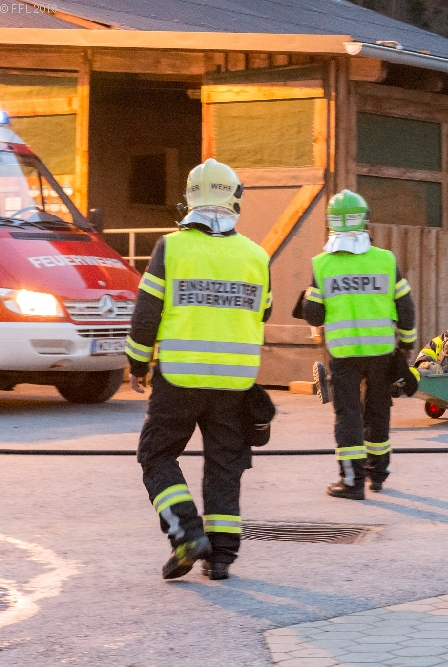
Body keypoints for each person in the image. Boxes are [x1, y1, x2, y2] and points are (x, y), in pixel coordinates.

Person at [125, 158, 271, 581]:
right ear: (235, 199)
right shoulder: (256, 255)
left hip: (180, 378)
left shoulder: (170, 248)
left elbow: (146, 314)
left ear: (189, 200)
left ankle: (187, 534)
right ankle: (221, 557)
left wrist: (137, 363)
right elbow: (264, 311)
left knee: (157, 455)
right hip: (236, 381)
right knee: (225, 464)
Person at [297, 190, 416, 500]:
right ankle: (378, 474)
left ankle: (352, 482)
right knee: (378, 412)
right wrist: (407, 343)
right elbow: (405, 307)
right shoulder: (385, 260)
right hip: (381, 353)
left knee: (348, 416)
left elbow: (314, 314)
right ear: (364, 221)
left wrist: (309, 301)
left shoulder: (323, 264)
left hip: (344, 354)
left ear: (331, 224)